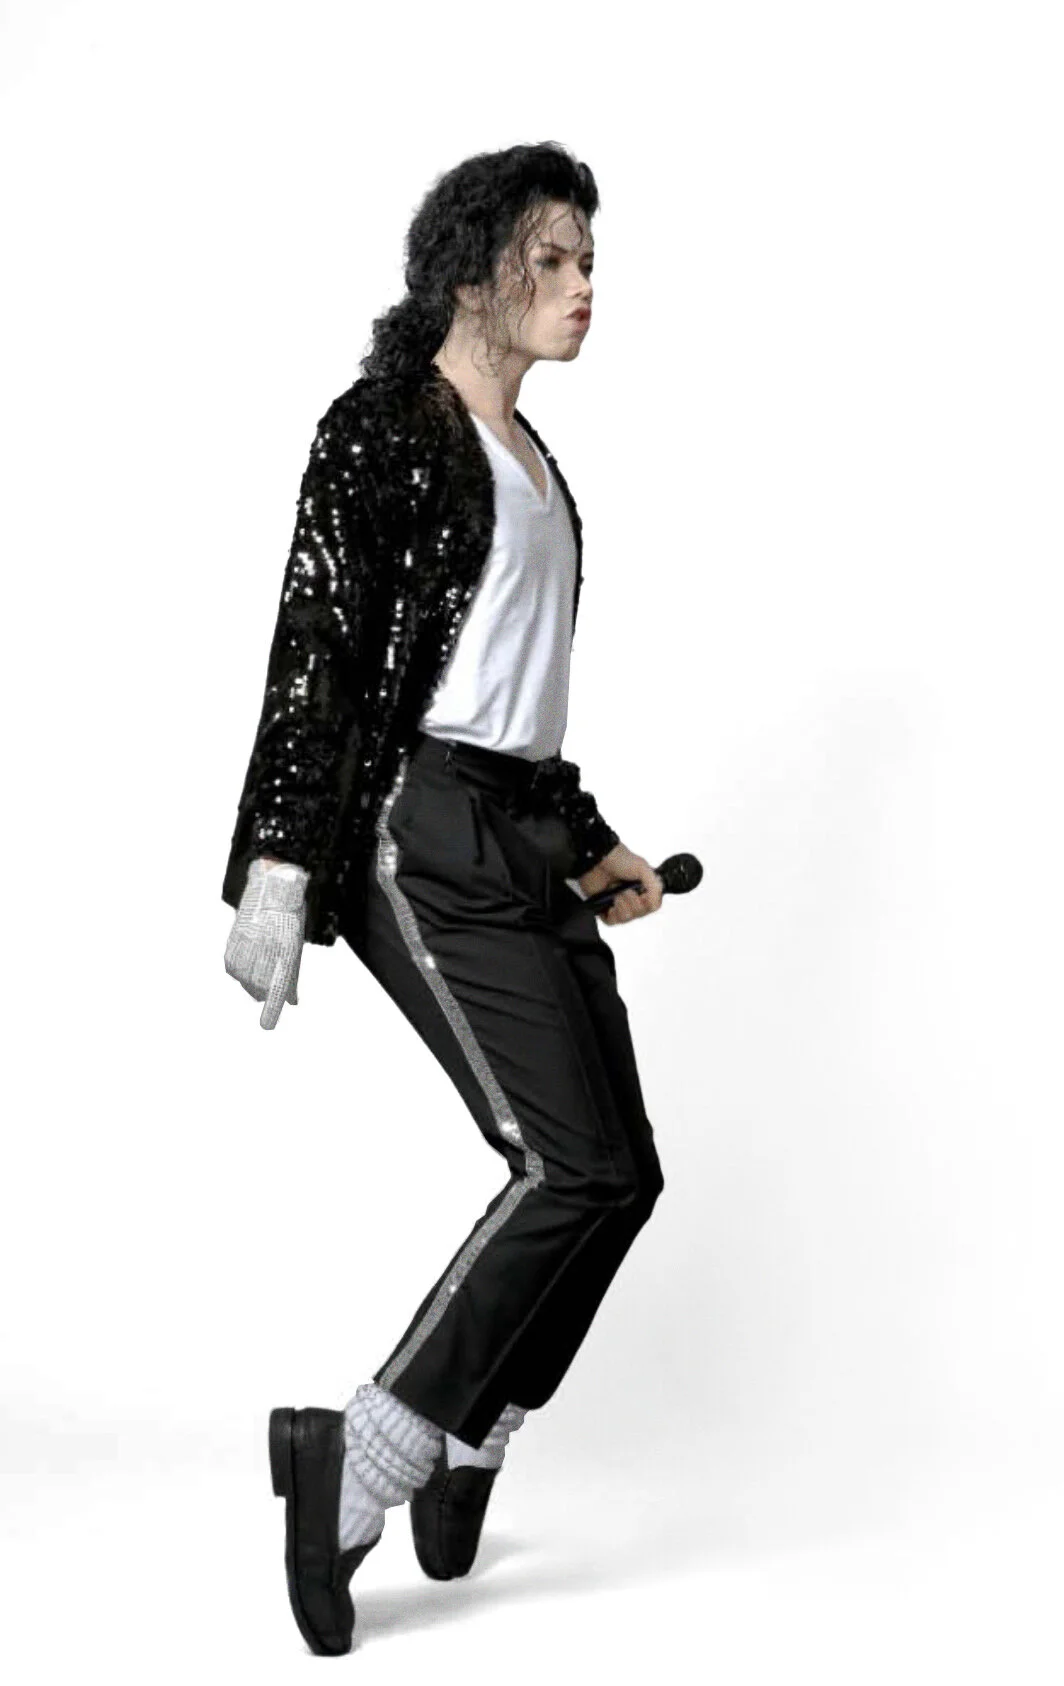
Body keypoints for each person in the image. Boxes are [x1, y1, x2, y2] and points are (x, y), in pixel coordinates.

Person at [222, 142, 666, 1655]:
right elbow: (320, 646)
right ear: (472, 269)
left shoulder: (536, 464)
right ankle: (361, 1454)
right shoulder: (385, 426)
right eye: (555, 259)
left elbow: (518, 697)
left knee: (622, 1175)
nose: (584, 287)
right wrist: (282, 862)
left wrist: (589, 842)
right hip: (422, 827)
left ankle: (474, 1428)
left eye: (590, 262)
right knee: (565, 1164)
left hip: (518, 822)